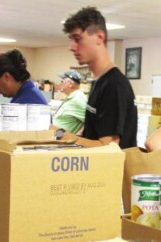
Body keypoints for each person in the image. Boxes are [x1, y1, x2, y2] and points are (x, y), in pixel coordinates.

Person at [59, 7, 137, 148]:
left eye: (78, 39)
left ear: (99, 37)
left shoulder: (114, 85)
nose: (72, 47)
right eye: (71, 40)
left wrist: (66, 137)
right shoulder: (97, 82)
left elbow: (107, 147)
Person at [52, 70, 87, 134]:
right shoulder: (71, 97)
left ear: (70, 84)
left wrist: (79, 134)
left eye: (62, 82)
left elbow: (92, 121)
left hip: (65, 142)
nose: (60, 84)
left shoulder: (78, 99)